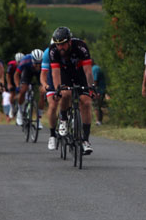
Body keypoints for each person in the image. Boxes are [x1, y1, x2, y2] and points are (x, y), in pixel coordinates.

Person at [49, 26, 96, 155]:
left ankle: (85, 140)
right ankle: (63, 119)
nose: (60, 47)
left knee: (86, 103)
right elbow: (55, 73)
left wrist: (91, 87)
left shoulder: (81, 46)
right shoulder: (53, 50)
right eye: (58, 45)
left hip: (79, 72)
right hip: (64, 73)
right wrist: (58, 89)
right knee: (66, 94)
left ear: (69, 41)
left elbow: (88, 70)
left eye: (63, 44)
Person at [14, 49, 44, 127]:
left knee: (43, 93)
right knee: (23, 90)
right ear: (32, 60)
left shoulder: (44, 62)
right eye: (36, 63)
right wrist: (18, 86)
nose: (38, 65)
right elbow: (16, 75)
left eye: (39, 63)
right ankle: (20, 113)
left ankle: (39, 119)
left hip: (41, 73)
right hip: (27, 72)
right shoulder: (25, 60)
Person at [40, 44, 59, 150]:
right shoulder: (48, 53)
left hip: (66, 74)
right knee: (52, 105)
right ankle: (52, 135)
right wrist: (45, 85)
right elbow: (43, 73)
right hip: (52, 77)